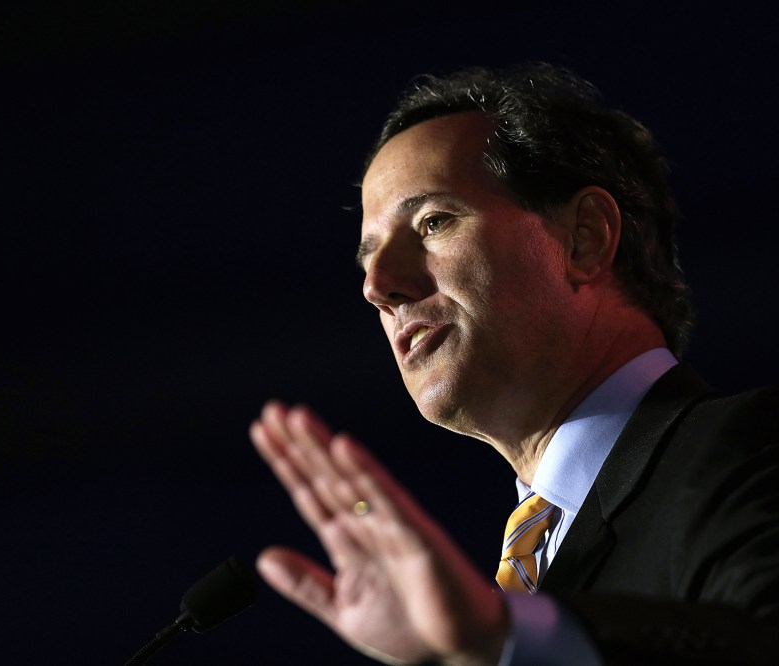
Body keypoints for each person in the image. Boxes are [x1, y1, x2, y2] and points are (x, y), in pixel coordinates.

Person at [249, 63, 779, 665]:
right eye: (366, 260)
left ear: (585, 238)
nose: (378, 286)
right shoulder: (522, 574)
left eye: (433, 222)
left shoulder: (752, 446)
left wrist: (505, 637)